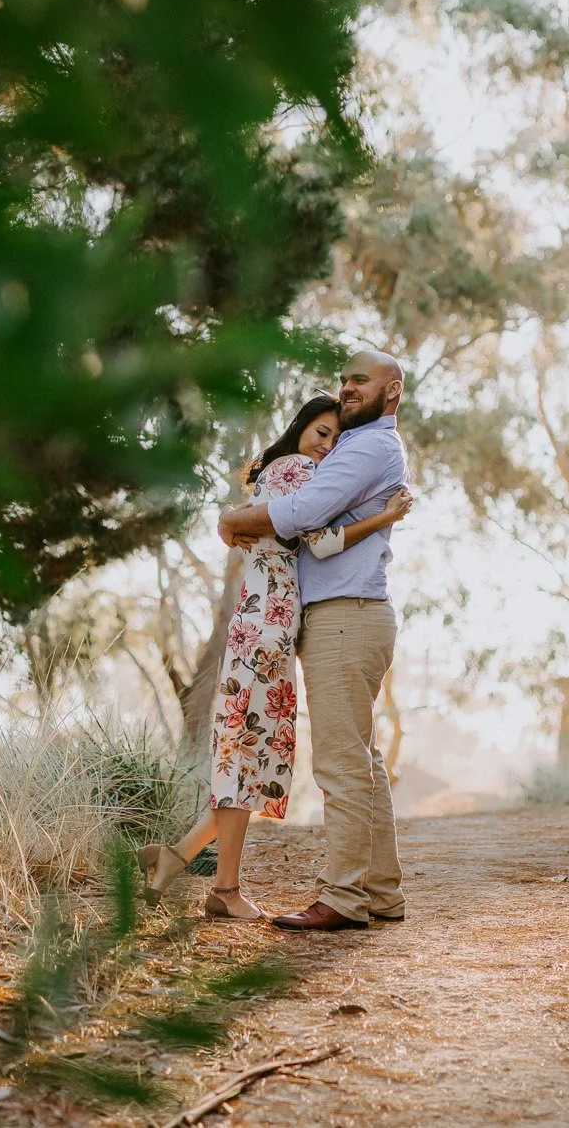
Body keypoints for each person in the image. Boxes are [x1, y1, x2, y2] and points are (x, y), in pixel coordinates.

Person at [137, 393, 413, 920]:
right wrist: (384, 517)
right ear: (301, 429)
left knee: (253, 754)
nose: (326, 446)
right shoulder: (293, 472)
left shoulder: (286, 473)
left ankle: (177, 859)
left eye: (334, 439)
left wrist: (234, 519)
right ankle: (223, 889)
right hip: (266, 628)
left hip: (269, 627)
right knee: (246, 754)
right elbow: (322, 543)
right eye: (321, 432)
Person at [218, 349, 410, 932]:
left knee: (341, 764)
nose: (349, 388)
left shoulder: (373, 446)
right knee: (362, 759)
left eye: (362, 381)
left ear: (392, 392)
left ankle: (345, 899)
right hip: (350, 614)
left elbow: (306, 513)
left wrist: (233, 520)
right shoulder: (357, 445)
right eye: (345, 380)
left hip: (345, 616)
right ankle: (381, 892)